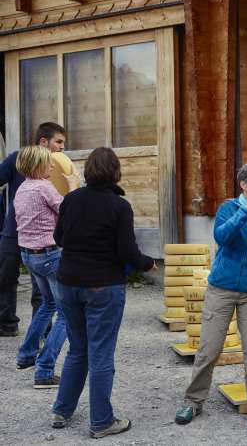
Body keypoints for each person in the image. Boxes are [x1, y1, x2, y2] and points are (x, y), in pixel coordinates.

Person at [51, 147, 156, 438]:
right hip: (101, 286)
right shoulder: (118, 206)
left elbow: (59, 237)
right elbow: (127, 251)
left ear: (87, 171)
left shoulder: (71, 199)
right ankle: (101, 421)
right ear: (116, 172)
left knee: (77, 349)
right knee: (100, 353)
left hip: (68, 283)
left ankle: (61, 410)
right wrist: (147, 264)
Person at [175, 163, 247, 433]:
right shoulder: (229, 208)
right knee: (208, 349)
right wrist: (246, 211)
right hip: (220, 289)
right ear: (243, 185)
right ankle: (193, 401)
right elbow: (221, 236)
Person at [0, 122, 65, 336]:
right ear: (44, 141)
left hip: (44, 238)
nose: (62, 147)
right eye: (59, 141)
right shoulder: (17, 159)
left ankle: (43, 331)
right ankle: (6, 324)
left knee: (41, 290)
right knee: (6, 278)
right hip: (13, 231)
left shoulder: (61, 164)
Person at [13, 146, 71, 387]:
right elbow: (68, 211)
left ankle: (26, 355)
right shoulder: (44, 187)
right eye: (48, 164)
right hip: (49, 255)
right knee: (67, 313)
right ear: (38, 166)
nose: (51, 167)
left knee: (47, 305)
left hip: (28, 255)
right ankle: (45, 370)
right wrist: (73, 186)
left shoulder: (22, 189)